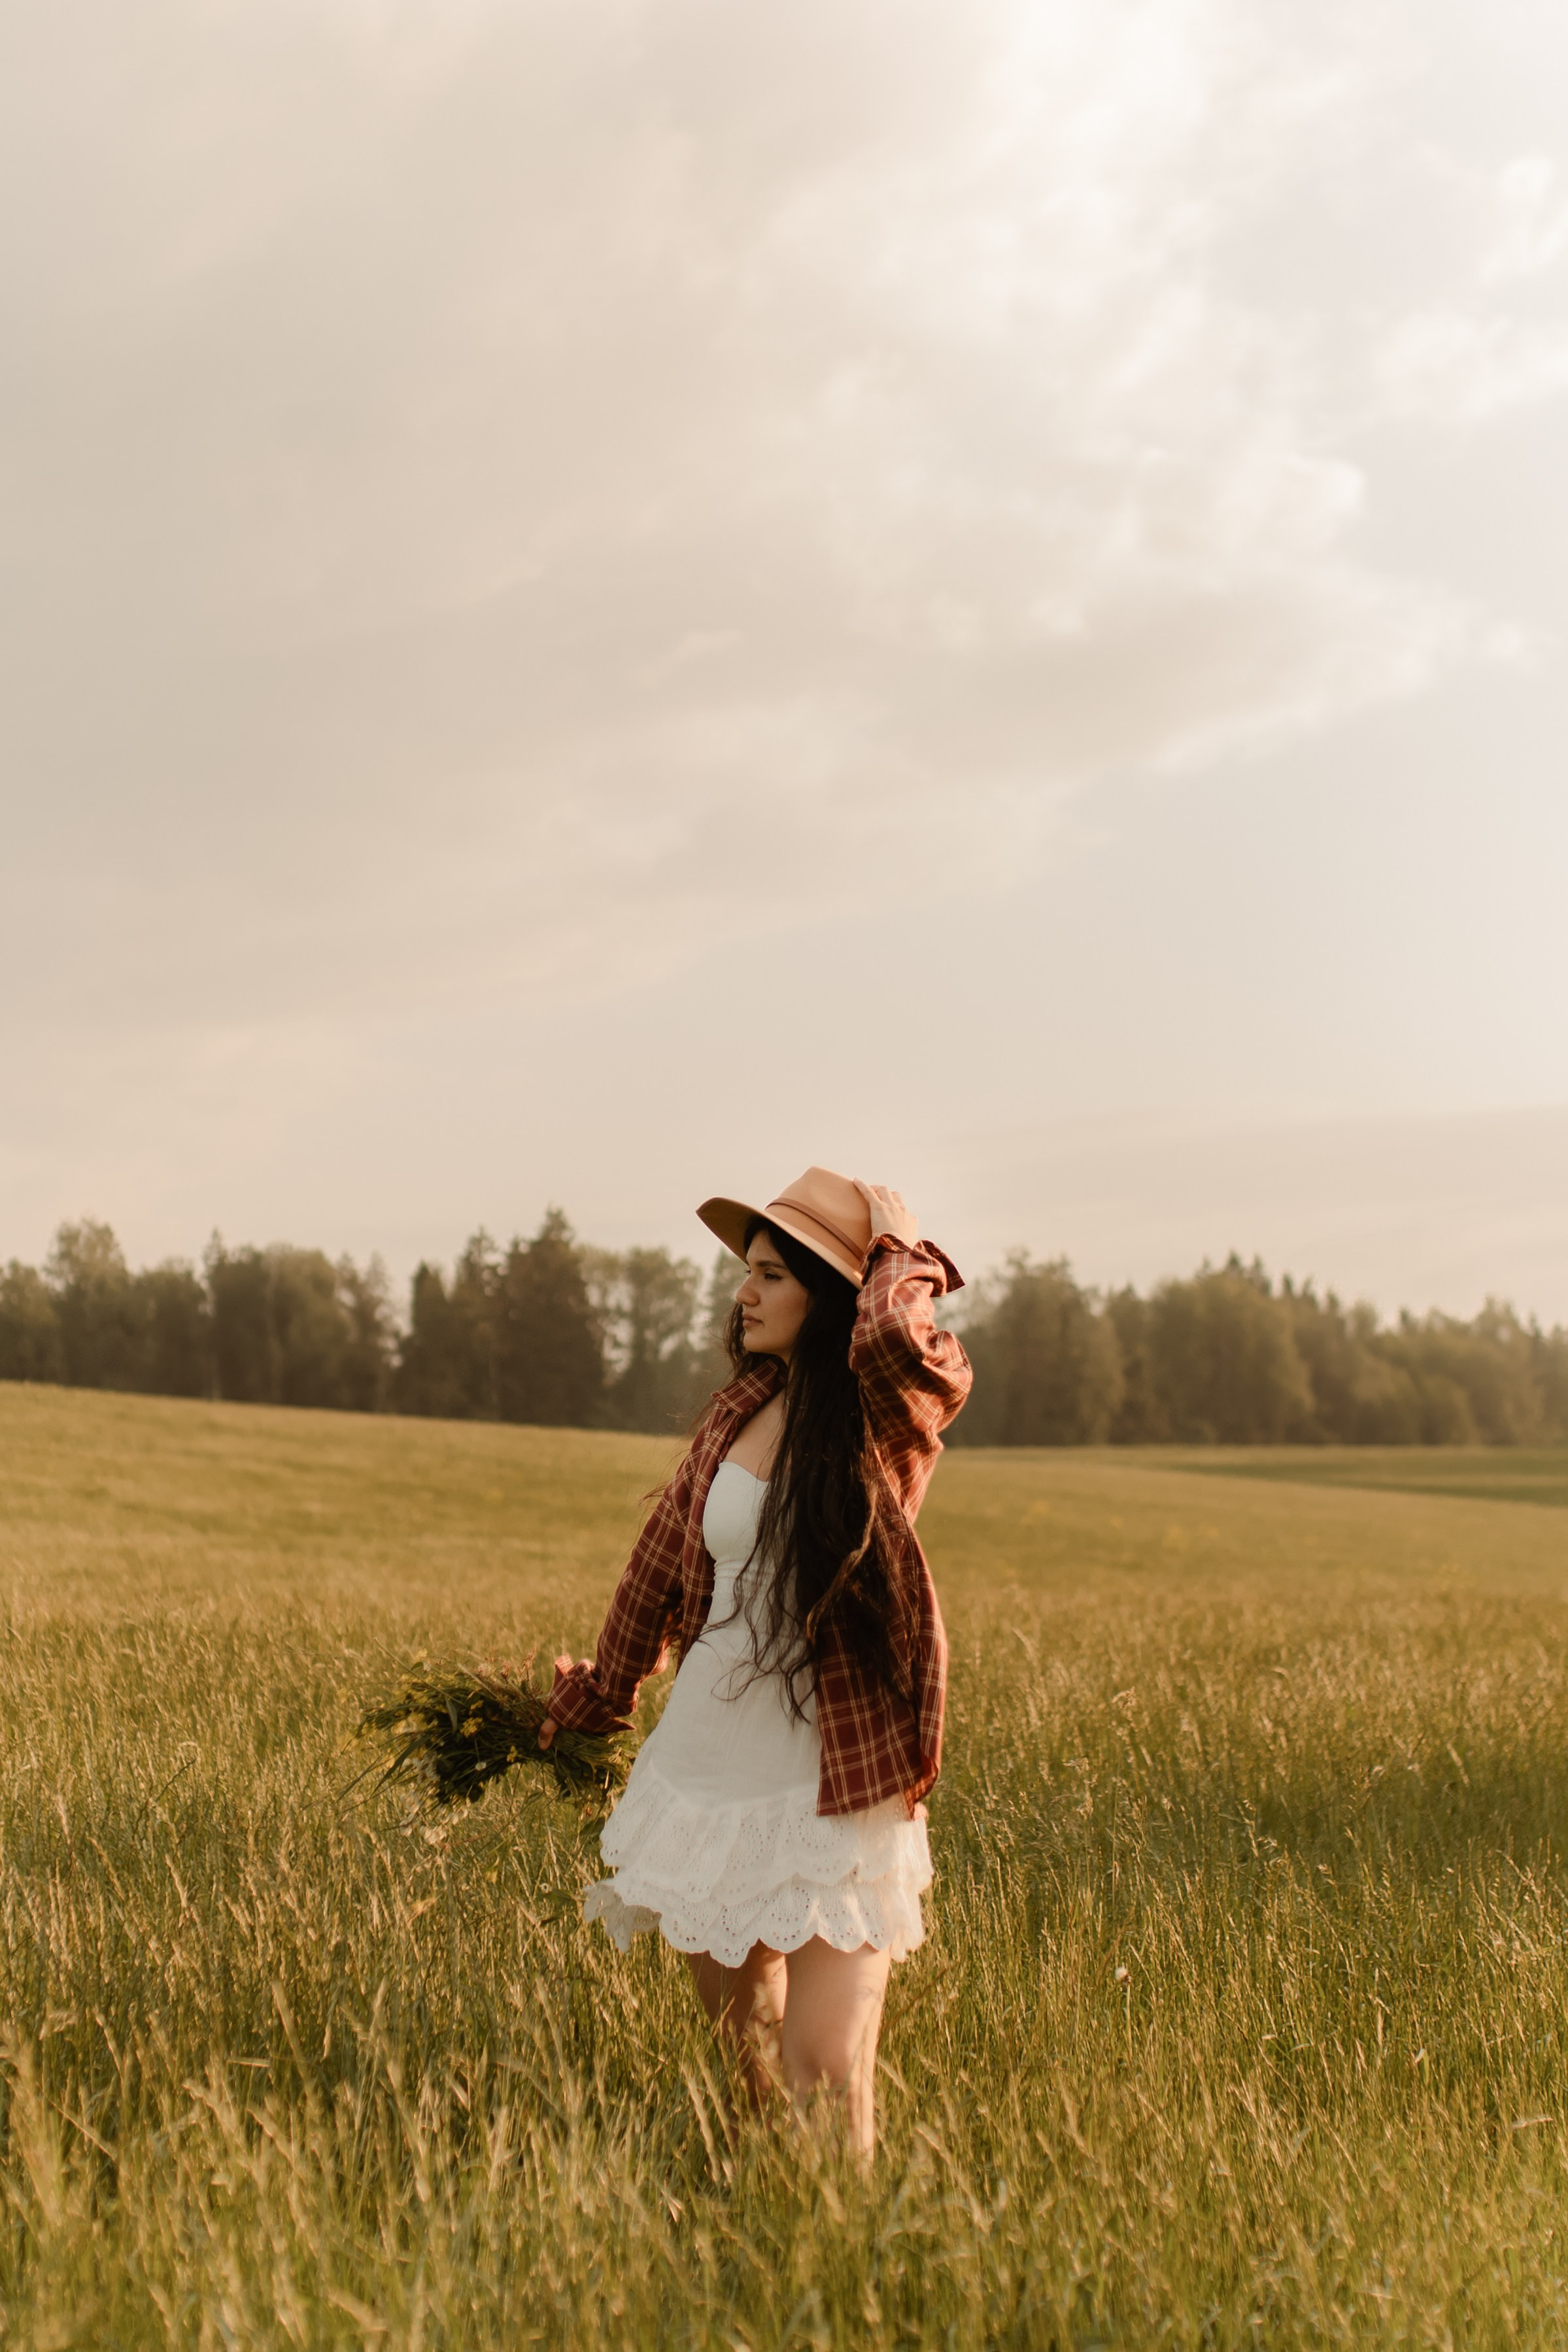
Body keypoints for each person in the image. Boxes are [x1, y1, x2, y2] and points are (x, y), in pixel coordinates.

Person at [539, 1166, 971, 2160]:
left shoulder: (887, 1421)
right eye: (748, 1273)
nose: (744, 1293)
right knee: (746, 2058)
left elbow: (900, 1344)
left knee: (826, 2060)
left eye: (772, 1273)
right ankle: (767, 2239)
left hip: (835, 1784)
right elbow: (655, 1570)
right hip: (708, 1774)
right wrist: (596, 1696)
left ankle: (846, 2268)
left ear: (831, 1293)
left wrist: (898, 1259)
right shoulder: (735, 1416)